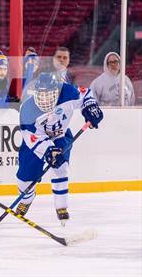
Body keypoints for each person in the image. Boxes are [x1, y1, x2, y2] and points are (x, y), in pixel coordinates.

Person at [15, 72, 103, 226]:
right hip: (37, 141)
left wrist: (90, 108)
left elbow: (86, 94)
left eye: (49, 94)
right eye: (41, 95)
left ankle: (61, 206)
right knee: (24, 179)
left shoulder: (68, 92)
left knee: (61, 167)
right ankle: (27, 198)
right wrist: (48, 150)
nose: (45, 99)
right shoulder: (27, 109)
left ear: (58, 91)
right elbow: (30, 138)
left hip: (60, 135)